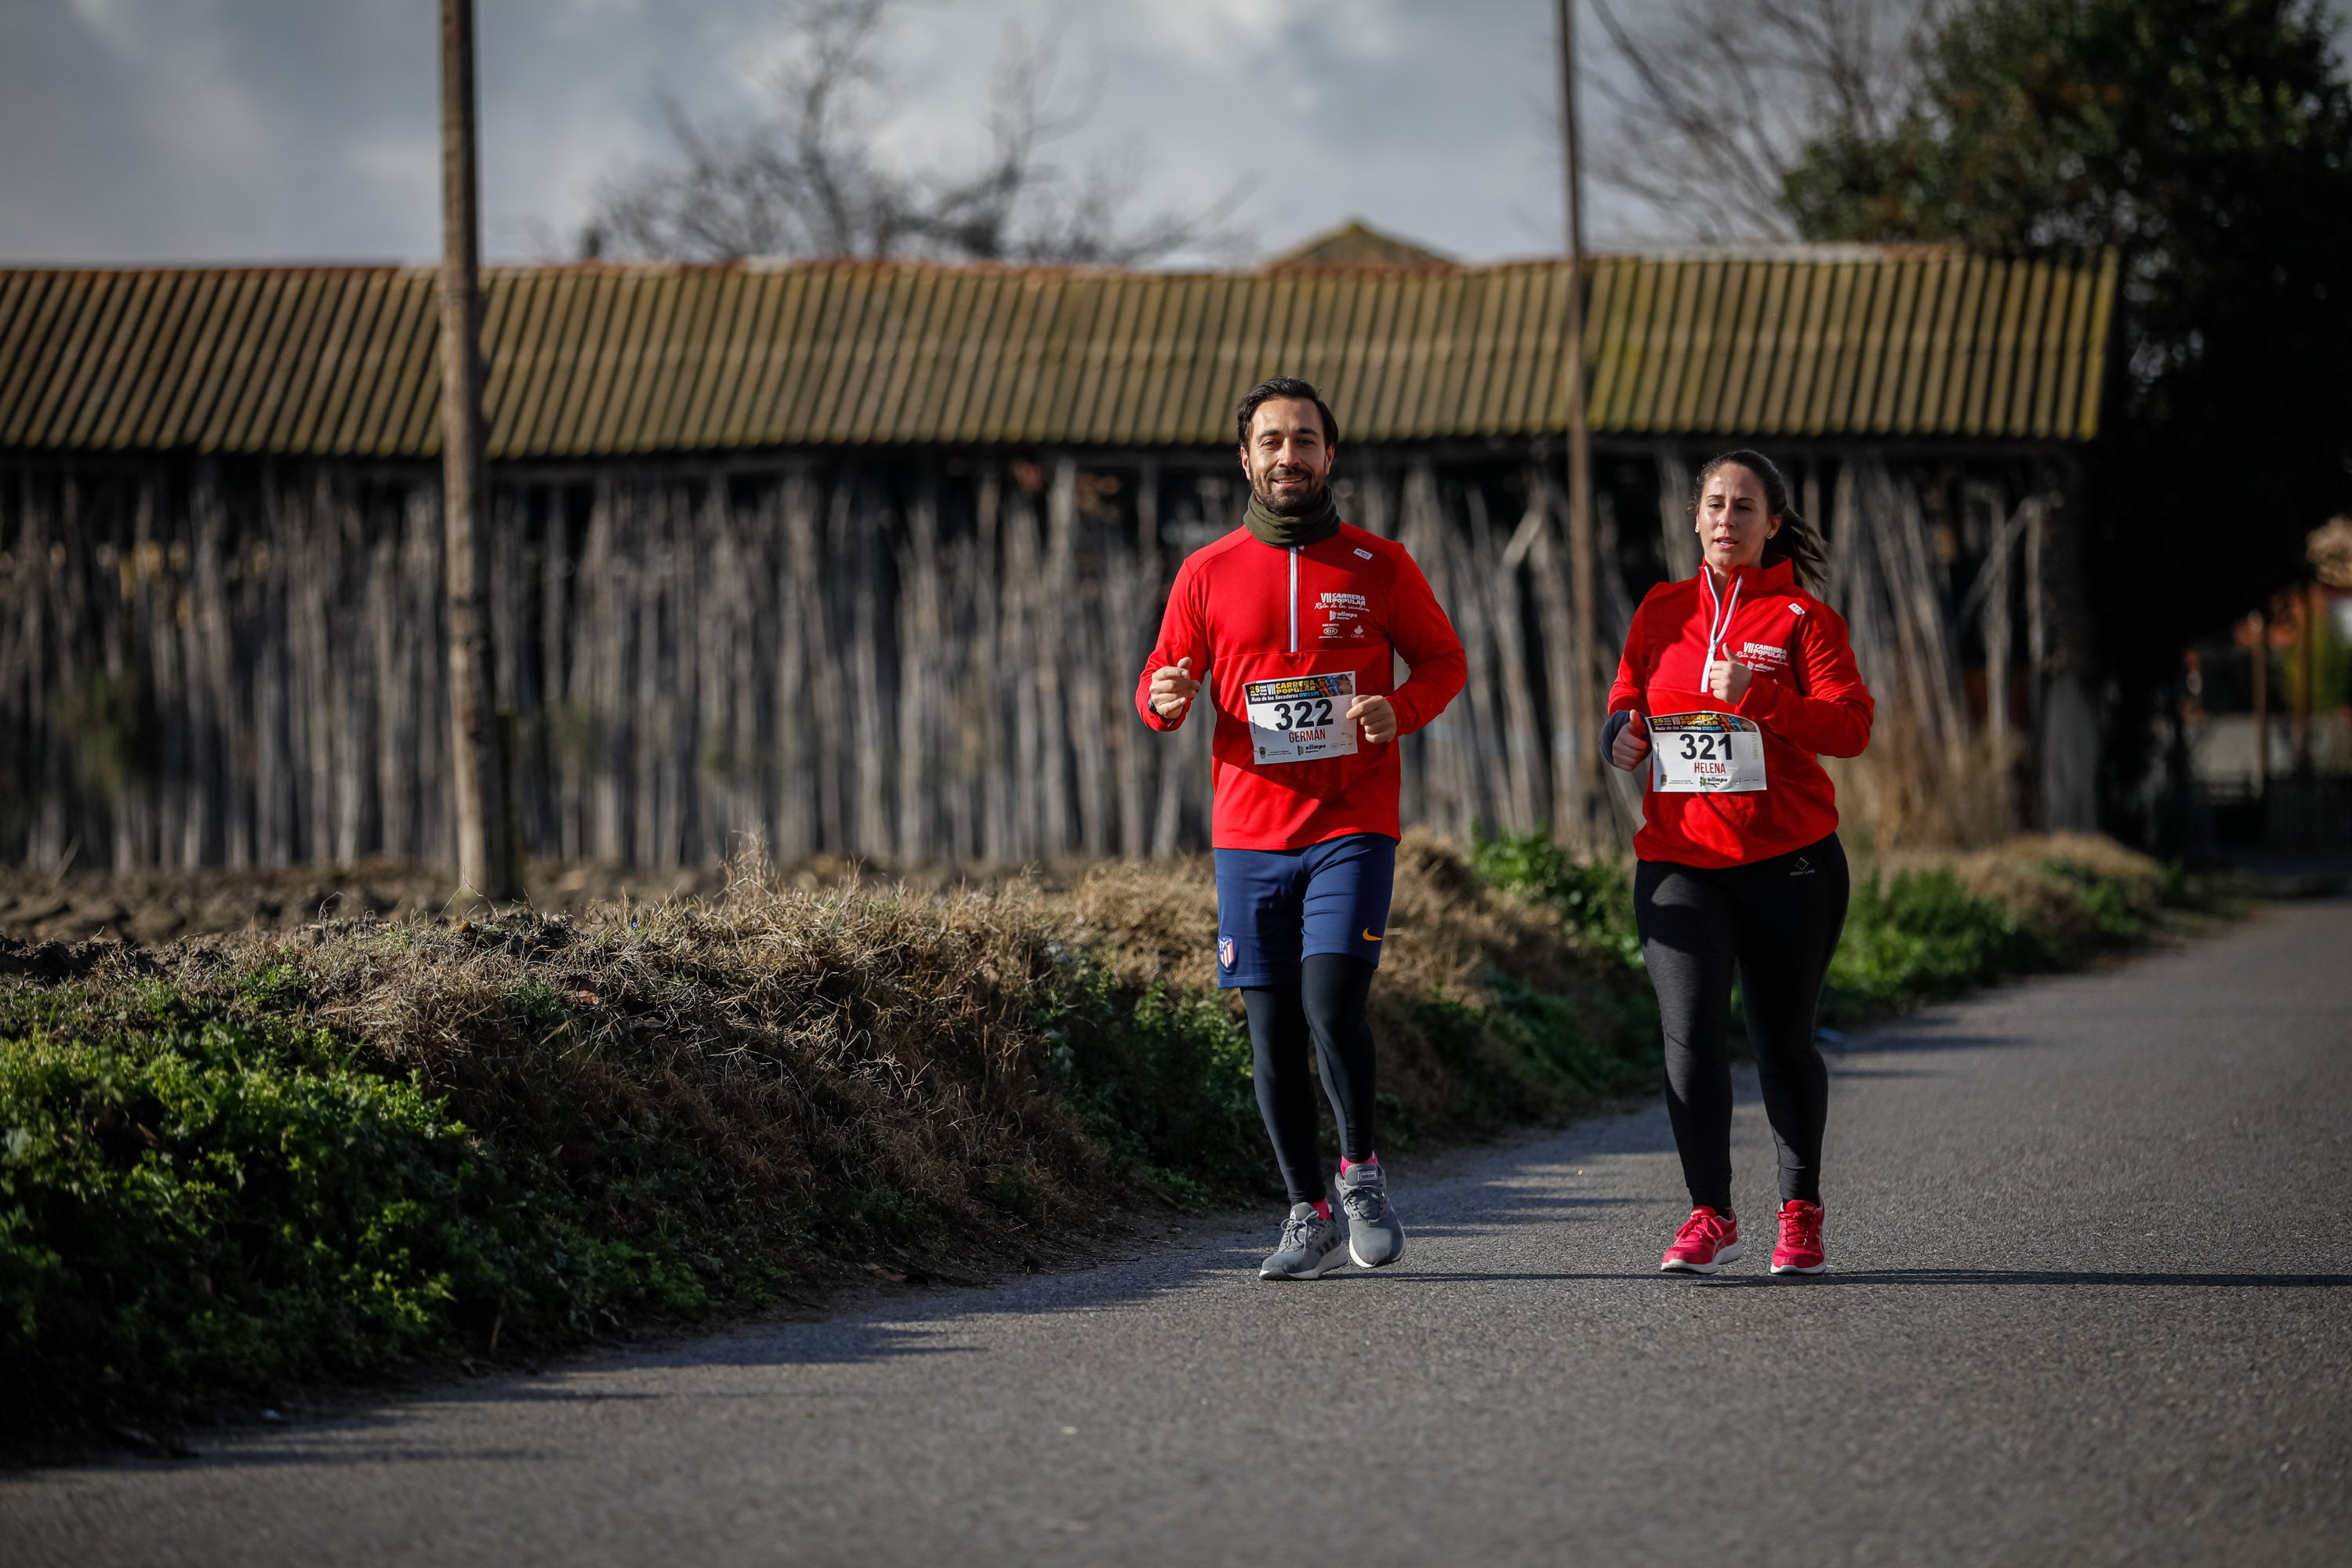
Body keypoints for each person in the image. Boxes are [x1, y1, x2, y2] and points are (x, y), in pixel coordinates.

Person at [1137, 376, 1466, 1279]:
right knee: (1270, 1031)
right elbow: (1165, 678)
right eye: (1272, 441)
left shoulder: (1379, 564)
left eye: (1306, 440)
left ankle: (1360, 1174)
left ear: (1332, 454)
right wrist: (1162, 697)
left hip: (1353, 822)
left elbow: (1444, 660)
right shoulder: (1206, 571)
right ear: (1246, 458)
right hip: (1248, 835)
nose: (1290, 456)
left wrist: (1401, 707)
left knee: (1331, 1003)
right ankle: (1306, 1209)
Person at [1602, 449, 1873, 1276]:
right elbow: (1625, 693)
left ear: (1773, 523)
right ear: (1694, 517)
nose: (1727, 518)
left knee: (1781, 1039)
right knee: (1689, 1037)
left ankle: (1800, 1210)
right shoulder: (1660, 608)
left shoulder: (1802, 621)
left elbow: (1851, 728)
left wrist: (1760, 697)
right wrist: (1619, 731)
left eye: (1744, 506)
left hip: (1788, 862)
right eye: (1715, 504)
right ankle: (1710, 1212)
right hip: (1679, 858)